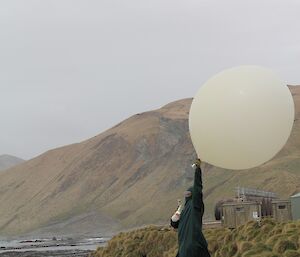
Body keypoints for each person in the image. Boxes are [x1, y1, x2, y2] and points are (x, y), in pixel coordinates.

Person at [170, 158, 211, 257]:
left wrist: (177, 213)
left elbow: (174, 224)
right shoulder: (194, 205)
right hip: (196, 248)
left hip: (183, 251)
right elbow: (197, 187)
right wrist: (198, 169)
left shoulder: (184, 210)